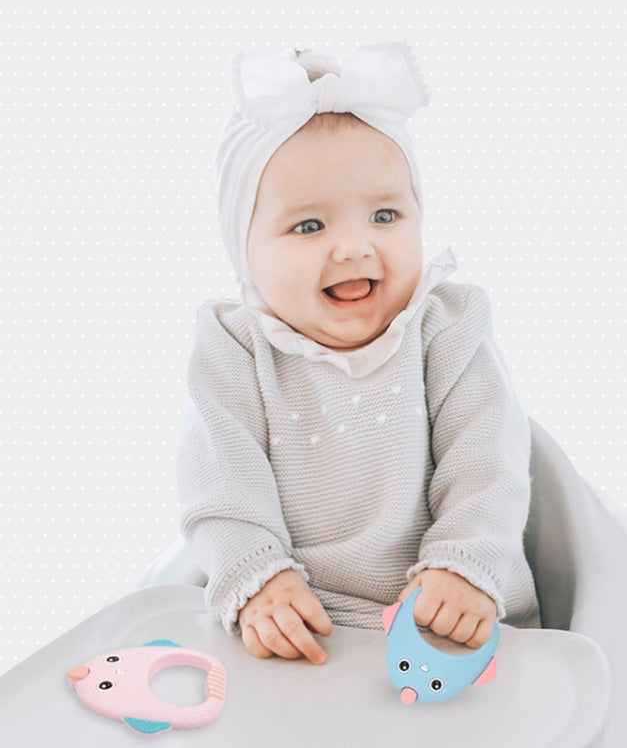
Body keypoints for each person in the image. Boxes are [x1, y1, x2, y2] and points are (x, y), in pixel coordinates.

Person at [177, 41, 540, 666]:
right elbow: (220, 490)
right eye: (309, 226)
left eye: (385, 215)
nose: (353, 247)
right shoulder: (234, 349)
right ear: (245, 253)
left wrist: (465, 563)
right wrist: (258, 579)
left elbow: (489, 461)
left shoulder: (447, 328)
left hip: (446, 622)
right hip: (304, 631)